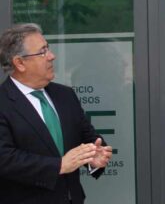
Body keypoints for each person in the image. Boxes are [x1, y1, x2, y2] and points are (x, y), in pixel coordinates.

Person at [0, 23, 112, 204]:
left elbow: (88, 137)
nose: (51, 56)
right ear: (19, 63)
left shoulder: (65, 95)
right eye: (42, 52)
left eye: (48, 49)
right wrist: (59, 165)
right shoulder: (4, 102)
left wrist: (94, 157)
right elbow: (5, 159)